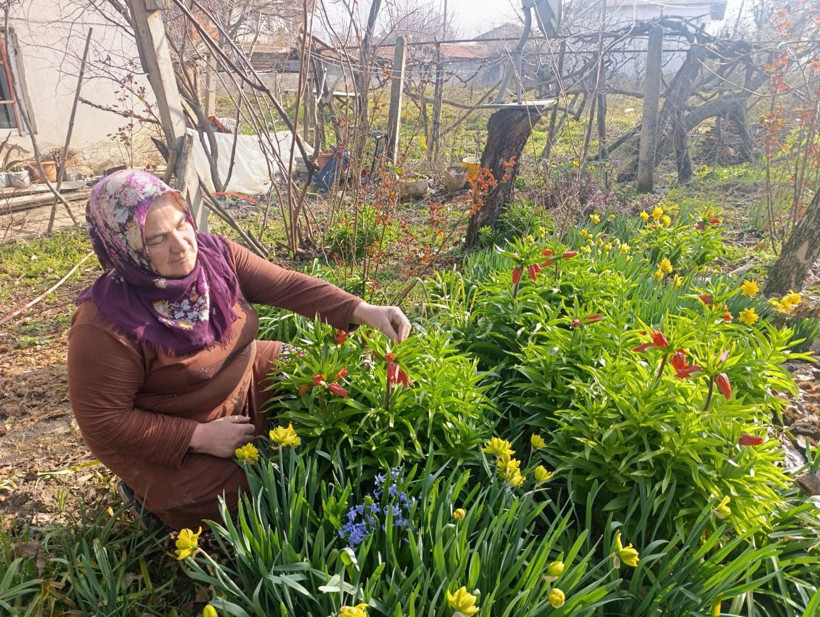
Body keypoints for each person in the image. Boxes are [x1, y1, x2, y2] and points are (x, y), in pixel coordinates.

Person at [67, 169, 411, 530]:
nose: (182, 244)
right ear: (127, 246)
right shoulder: (105, 323)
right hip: (171, 429)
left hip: (244, 378)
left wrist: (364, 311)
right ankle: (146, 499)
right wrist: (198, 437)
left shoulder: (216, 257)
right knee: (249, 497)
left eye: (182, 224)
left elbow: (287, 286)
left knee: (320, 385)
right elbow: (104, 421)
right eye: (157, 239)